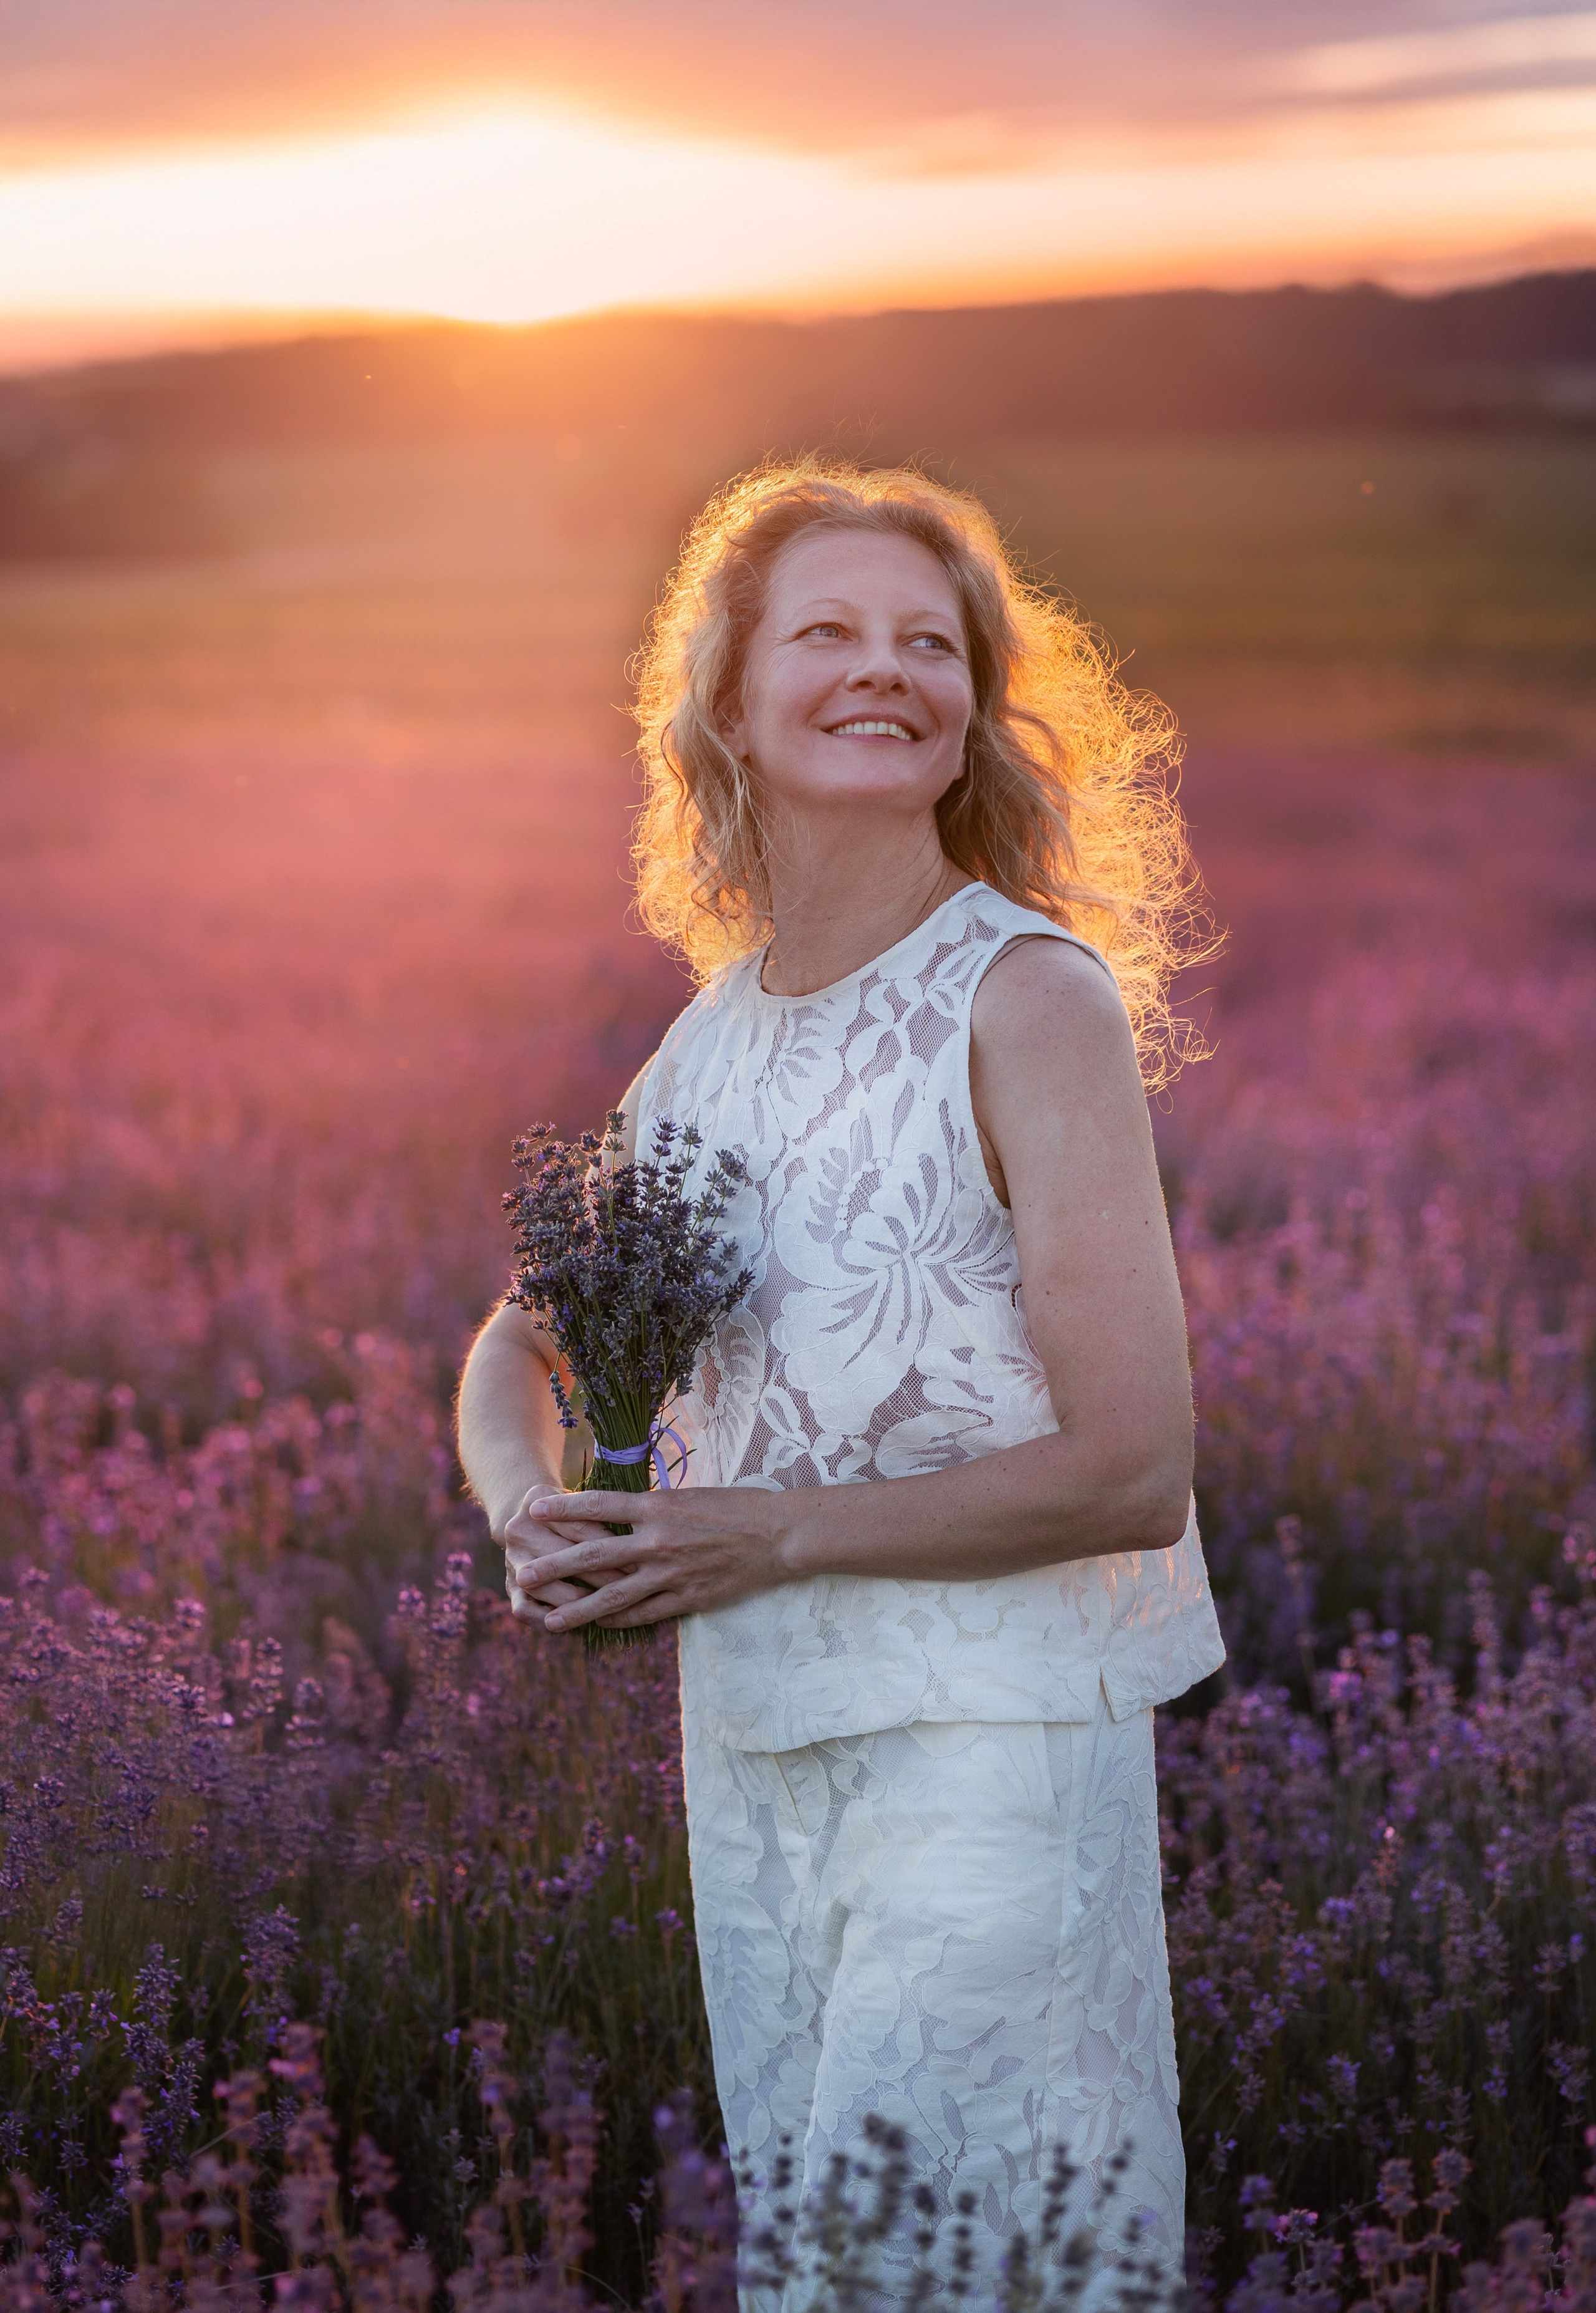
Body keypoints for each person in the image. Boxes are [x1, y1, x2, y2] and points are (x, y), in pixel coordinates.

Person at [456, 463, 1226, 2304]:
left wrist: (771, 1532)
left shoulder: (1029, 1000)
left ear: (973, 709)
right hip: (759, 1748)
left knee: (962, 2266)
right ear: (728, 704)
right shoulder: (707, 1046)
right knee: (827, 2264)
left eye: (929, 643)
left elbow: (1134, 1466)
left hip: (990, 1744)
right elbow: (518, 1340)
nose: (886, 668)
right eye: (827, 631)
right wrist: (530, 1514)